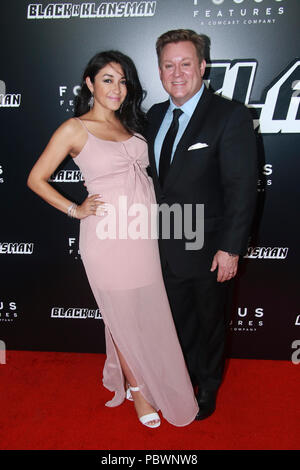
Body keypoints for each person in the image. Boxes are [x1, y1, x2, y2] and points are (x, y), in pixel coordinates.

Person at [27, 50, 199, 428]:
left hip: (142, 235)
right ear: (89, 83)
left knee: (142, 314)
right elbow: (35, 178)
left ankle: (144, 378)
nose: (116, 88)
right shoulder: (74, 128)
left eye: (122, 80)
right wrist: (75, 209)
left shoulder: (133, 126)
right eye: (107, 79)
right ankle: (139, 392)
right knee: (122, 319)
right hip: (106, 240)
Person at [146, 30, 258, 420]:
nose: (177, 73)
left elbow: (242, 188)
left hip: (210, 248)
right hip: (162, 247)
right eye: (168, 65)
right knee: (175, 322)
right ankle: (179, 380)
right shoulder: (155, 116)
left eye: (186, 63)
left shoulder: (229, 115)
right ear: (159, 70)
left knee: (210, 323)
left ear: (202, 66)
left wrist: (230, 248)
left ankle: (207, 387)